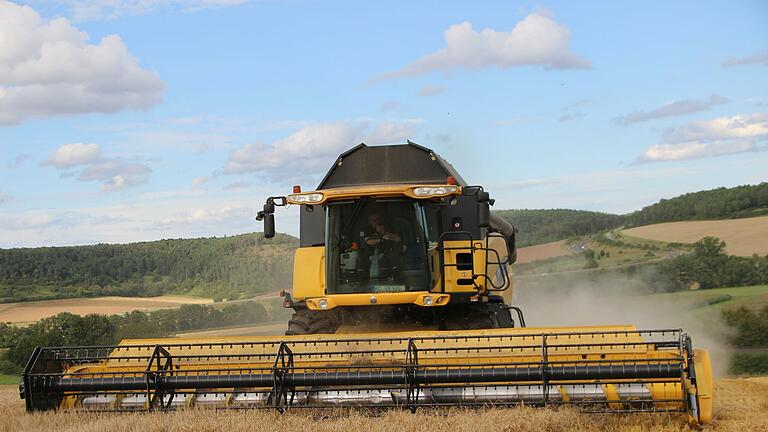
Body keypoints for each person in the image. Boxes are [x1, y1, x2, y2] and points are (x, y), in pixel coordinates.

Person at [358, 212, 403, 282]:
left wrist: (384, 232)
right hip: (370, 255)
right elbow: (368, 242)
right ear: (369, 222)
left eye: (379, 219)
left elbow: (398, 239)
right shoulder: (366, 229)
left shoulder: (387, 226)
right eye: (375, 220)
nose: (378, 222)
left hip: (387, 254)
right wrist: (380, 239)